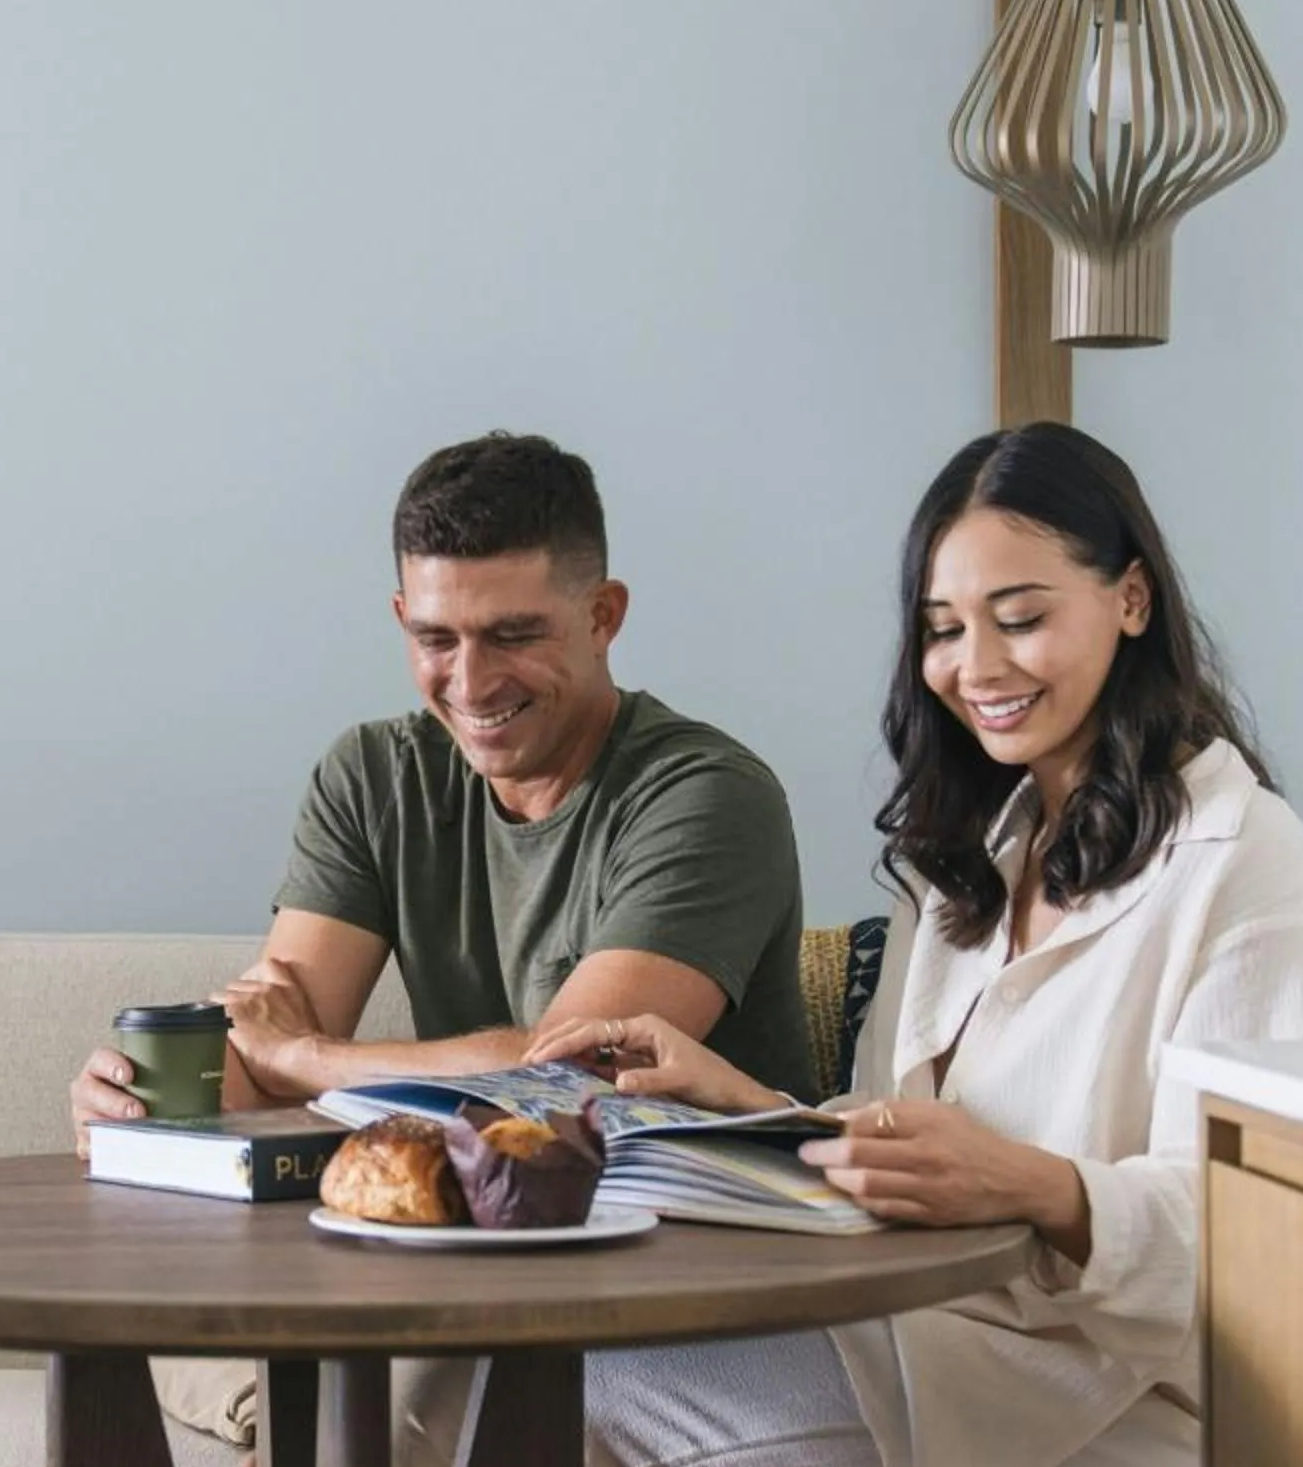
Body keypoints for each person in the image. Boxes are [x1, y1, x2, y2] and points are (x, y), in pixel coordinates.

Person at [409, 421, 1303, 1467]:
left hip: (1163, 1445)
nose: (976, 662)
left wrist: (1047, 1193)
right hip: (964, 1379)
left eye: (1020, 613)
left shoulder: (1251, 878)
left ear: (1130, 599)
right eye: (942, 627)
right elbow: (915, 1156)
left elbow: (1272, 1249)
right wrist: (736, 1101)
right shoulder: (978, 869)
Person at [70, 430, 815, 1145]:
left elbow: (577, 1079)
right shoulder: (372, 777)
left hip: (694, 1235)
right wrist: (146, 1099)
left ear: (602, 617)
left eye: (513, 635)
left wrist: (308, 1061)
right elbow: (261, 1047)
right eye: (435, 639)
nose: (471, 682)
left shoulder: (707, 796)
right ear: (401, 618)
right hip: (459, 1229)